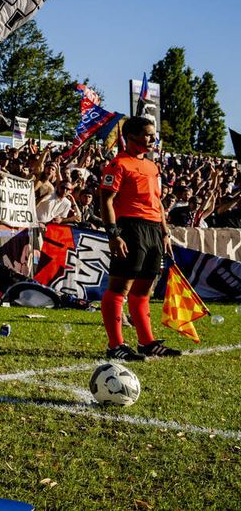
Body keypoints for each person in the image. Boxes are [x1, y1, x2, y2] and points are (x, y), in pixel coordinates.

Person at [99, 117, 179, 362]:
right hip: (130, 228)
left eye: (153, 135)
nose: (152, 139)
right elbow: (106, 200)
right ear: (131, 136)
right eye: (147, 135)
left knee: (144, 288)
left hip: (154, 229)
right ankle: (116, 345)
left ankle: (147, 342)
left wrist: (165, 233)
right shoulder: (118, 163)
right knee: (120, 288)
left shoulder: (153, 167)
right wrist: (114, 234)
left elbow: (158, 203)